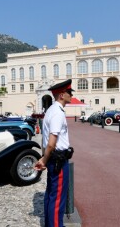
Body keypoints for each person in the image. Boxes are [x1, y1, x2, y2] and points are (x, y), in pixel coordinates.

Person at [34, 79, 74, 227]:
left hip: (52, 158)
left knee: (51, 195)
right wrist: (44, 160)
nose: (71, 95)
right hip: (58, 159)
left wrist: (44, 158)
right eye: (69, 92)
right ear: (62, 95)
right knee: (57, 199)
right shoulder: (57, 113)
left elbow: (45, 141)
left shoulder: (50, 110)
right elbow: (51, 142)